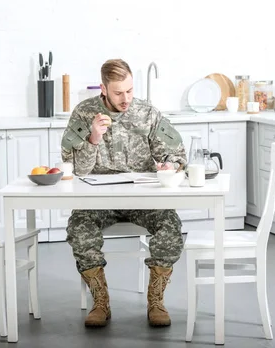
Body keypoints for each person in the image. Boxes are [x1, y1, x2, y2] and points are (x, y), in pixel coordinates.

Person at [61, 59, 187, 328]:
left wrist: (169, 165)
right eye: (118, 93)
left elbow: (175, 153)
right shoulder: (84, 113)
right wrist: (93, 138)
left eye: (130, 90)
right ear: (104, 88)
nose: (126, 98)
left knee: (170, 226)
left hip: (141, 196)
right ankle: (101, 303)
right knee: (79, 229)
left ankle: (156, 301)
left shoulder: (147, 112)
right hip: (99, 199)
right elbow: (74, 168)